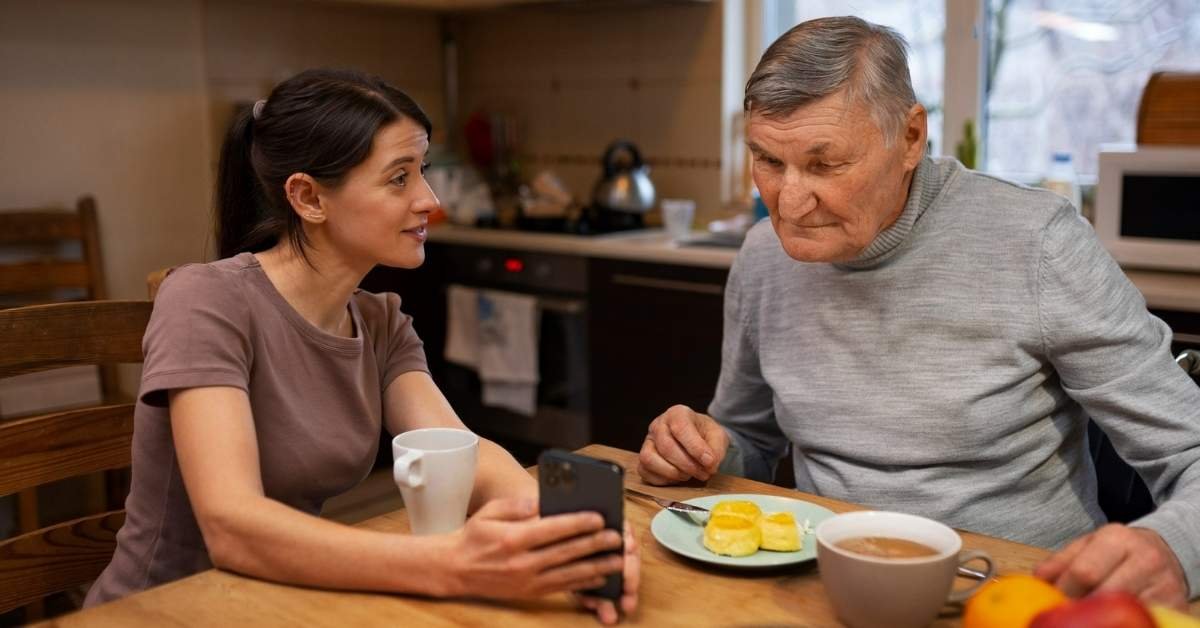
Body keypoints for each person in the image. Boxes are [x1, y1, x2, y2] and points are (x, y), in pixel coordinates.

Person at [637, 17, 1200, 609]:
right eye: (768, 162)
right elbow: (750, 440)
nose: (790, 204)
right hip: (830, 592)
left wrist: (1171, 547)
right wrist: (702, 448)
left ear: (909, 138)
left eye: (825, 165)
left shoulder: (1039, 245)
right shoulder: (761, 258)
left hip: (1014, 597)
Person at [85, 68, 639, 624]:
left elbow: (462, 452)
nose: (429, 199)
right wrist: (450, 564)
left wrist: (567, 533)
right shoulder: (205, 300)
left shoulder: (381, 321)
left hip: (282, 603)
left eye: (421, 171)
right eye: (399, 178)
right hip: (163, 612)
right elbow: (233, 527)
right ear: (308, 197)